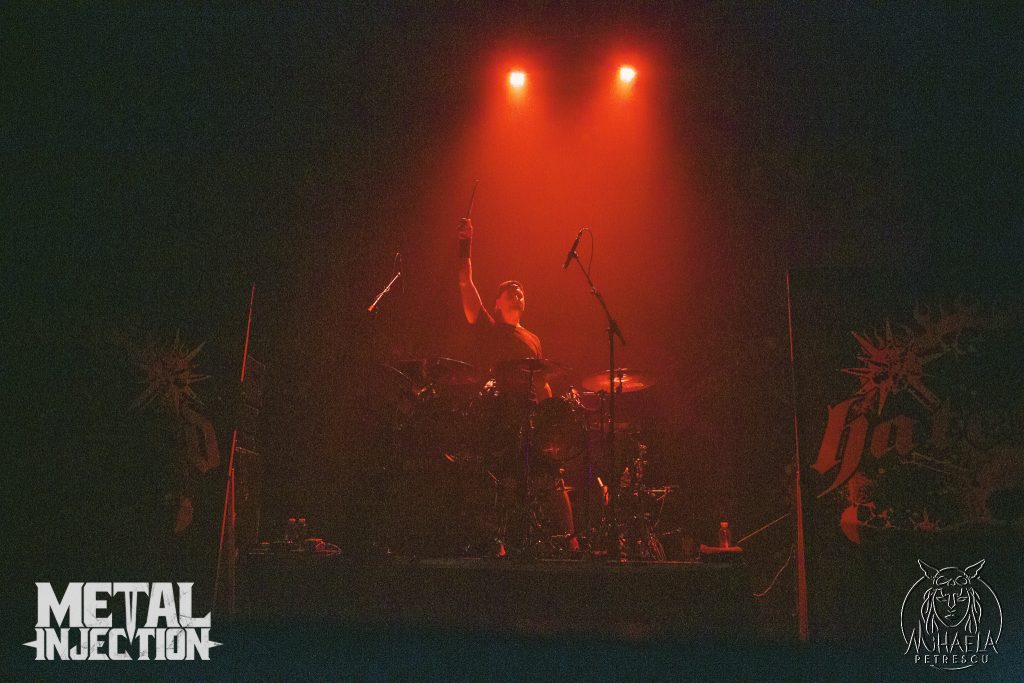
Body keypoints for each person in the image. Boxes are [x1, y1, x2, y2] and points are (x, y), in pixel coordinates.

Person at [457, 217, 578, 553]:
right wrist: (466, 243)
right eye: (510, 291)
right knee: (502, 481)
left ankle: (571, 543)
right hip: (502, 419)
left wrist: (552, 420)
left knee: (553, 477)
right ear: (497, 303)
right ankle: (500, 545)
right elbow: (466, 283)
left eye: (521, 291)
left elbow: (542, 384)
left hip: (533, 420)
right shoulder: (491, 328)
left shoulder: (534, 339)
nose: (518, 293)